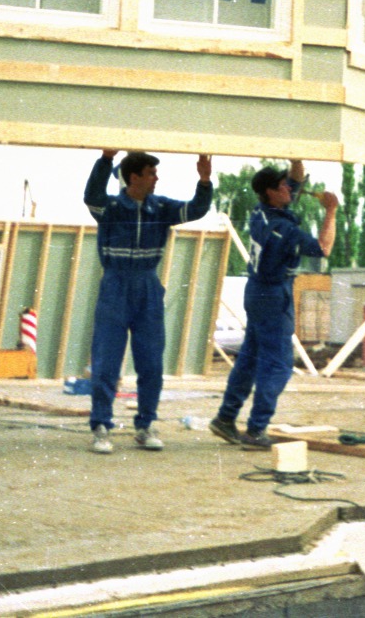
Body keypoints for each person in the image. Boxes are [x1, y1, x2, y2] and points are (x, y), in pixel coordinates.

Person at [83, 149, 212, 454]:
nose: (156, 178)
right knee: (106, 362)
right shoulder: (112, 207)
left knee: (151, 362)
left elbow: (196, 210)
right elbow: (91, 196)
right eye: (151, 173)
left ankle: (145, 426)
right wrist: (104, 160)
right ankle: (101, 427)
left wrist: (204, 181)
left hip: (148, 287)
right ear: (134, 177)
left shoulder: (161, 208)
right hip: (115, 286)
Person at [210, 160, 337, 450]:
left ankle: (226, 418)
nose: (289, 189)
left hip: (256, 291)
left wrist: (296, 160)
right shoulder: (281, 229)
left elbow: (294, 180)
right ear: (270, 192)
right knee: (278, 364)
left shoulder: (262, 212)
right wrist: (330, 211)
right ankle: (256, 430)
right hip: (273, 294)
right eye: (282, 187)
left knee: (250, 359)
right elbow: (323, 248)